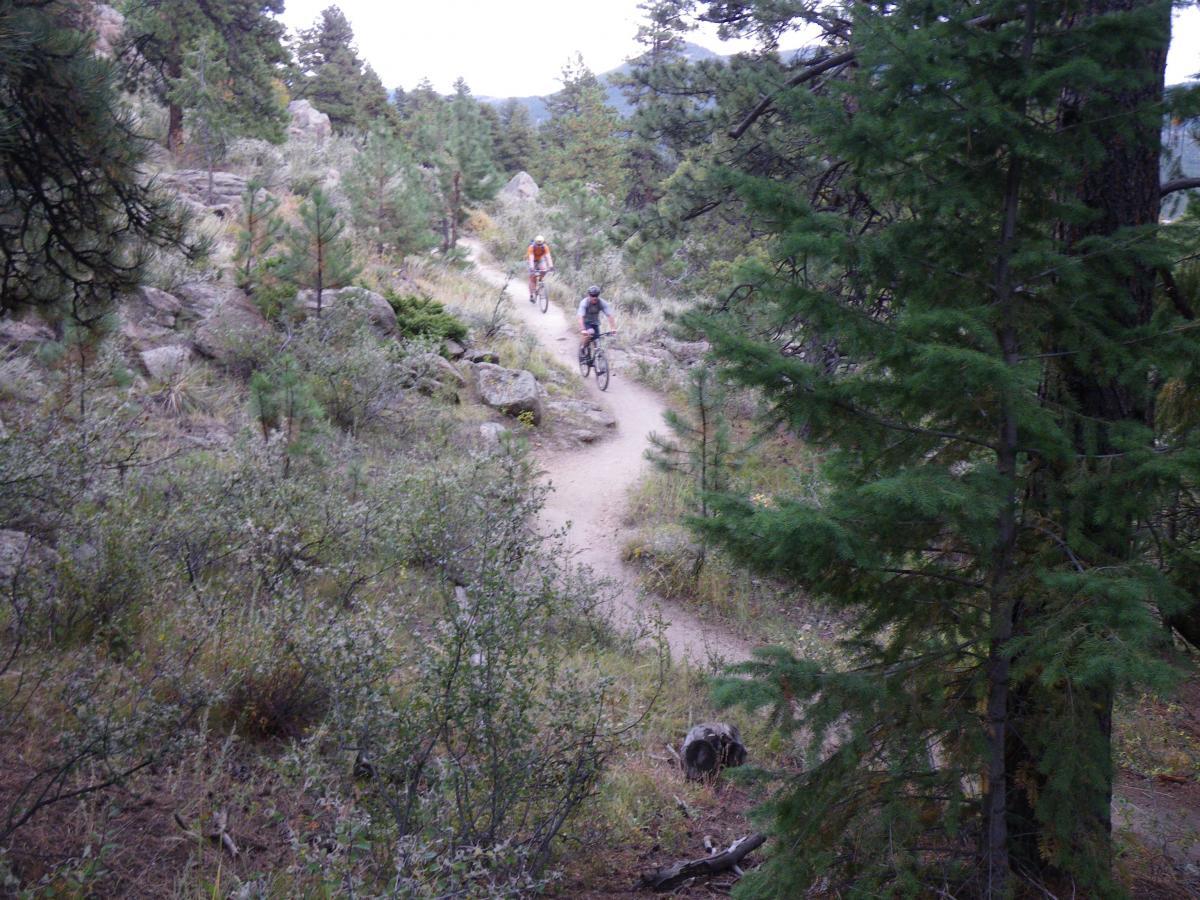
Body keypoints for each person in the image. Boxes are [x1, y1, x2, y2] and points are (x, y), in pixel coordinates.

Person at [578, 284, 617, 358]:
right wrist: (583, 329)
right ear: (588, 295)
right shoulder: (584, 303)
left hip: (595, 323)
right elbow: (580, 317)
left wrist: (613, 328)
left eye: (596, 295)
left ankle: (598, 364)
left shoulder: (601, 302)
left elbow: (610, 315)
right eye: (592, 295)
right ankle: (583, 348)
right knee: (590, 332)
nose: (594, 297)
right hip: (585, 322)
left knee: (598, 343)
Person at [526, 234, 554, 301]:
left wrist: (551, 266)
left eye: (540, 244)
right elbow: (531, 258)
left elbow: (548, 257)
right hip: (531, 260)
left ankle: (541, 280)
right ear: (535, 242)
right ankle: (531, 295)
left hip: (540, 259)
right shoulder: (531, 247)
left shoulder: (545, 247)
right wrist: (532, 268)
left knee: (544, 270)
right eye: (537, 244)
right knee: (532, 277)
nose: (539, 246)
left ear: (542, 243)